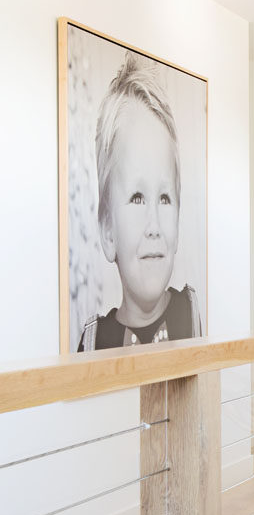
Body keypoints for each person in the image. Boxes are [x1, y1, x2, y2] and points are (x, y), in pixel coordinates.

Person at [78, 53, 201, 350]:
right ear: (108, 231)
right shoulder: (94, 341)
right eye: (136, 198)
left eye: (164, 198)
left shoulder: (191, 311)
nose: (154, 226)